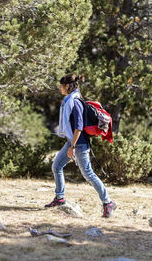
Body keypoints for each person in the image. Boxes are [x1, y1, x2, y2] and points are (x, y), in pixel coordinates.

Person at [45, 74, 117, 218]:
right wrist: (70, 145)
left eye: (61, 85)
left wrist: (72, 147)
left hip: (79, 143)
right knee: (56, 166)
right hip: (72, 142)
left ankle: (108, 202)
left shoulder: (75, 102)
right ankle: (60, 198)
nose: (59, 87)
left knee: (88, 174)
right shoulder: (68, 100)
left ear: (67, 86)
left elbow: (78, 127)